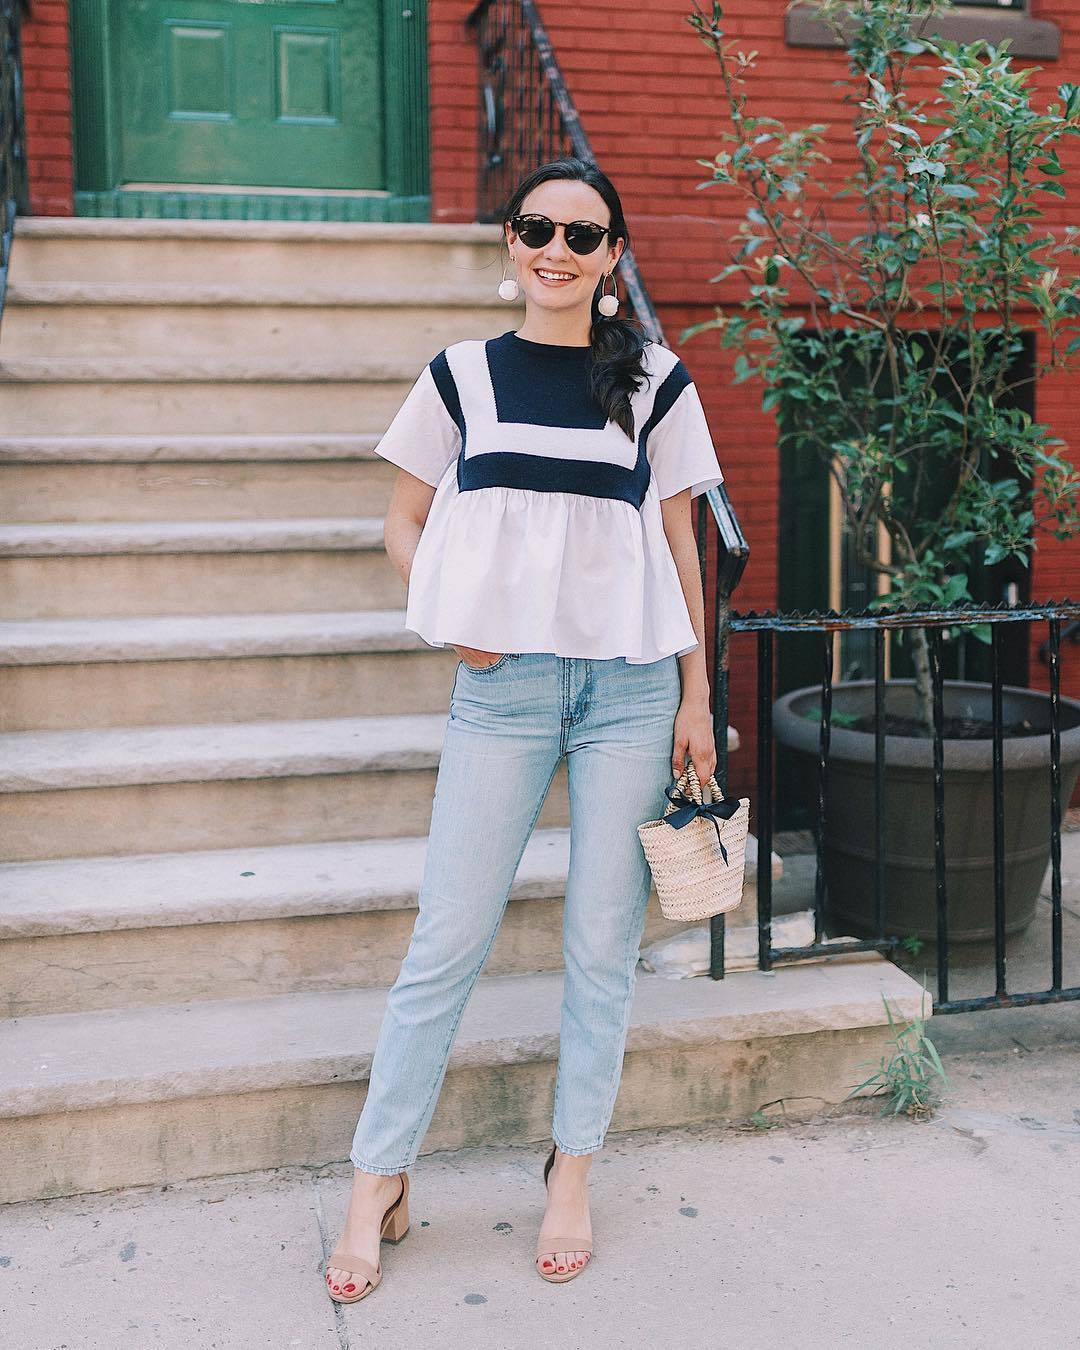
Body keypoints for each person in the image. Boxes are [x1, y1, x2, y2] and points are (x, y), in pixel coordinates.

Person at [325, 155, 725, 1303]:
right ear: (511, 242)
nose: (557, 249)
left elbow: (682, 543)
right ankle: (376, 1180)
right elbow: (403, 523)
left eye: (582, 235)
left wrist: (698, 697)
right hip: (503, 688)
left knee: (601, 944)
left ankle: (571, 1171)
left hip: (631, 689)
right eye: (537, 228)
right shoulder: (459, 377)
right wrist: (453, 622)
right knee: (448, 938)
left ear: (612, 258)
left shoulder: (655, 382)